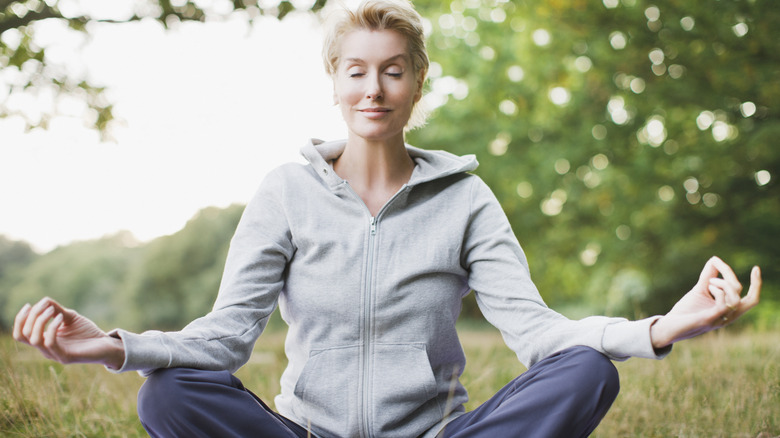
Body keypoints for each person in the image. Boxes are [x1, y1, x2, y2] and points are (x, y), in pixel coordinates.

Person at [13, 1, 762, 437]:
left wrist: (663, 326)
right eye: (357, 69)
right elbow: (224, 339)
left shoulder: (466, 199)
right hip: (305, 433)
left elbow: (538, 334)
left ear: (417, 83)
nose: (375, 87)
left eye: (394, 69)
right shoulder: (283, 192)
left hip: (440, 435)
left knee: (585, 372)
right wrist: (115, 346)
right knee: (168, 392)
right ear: (335, 83)